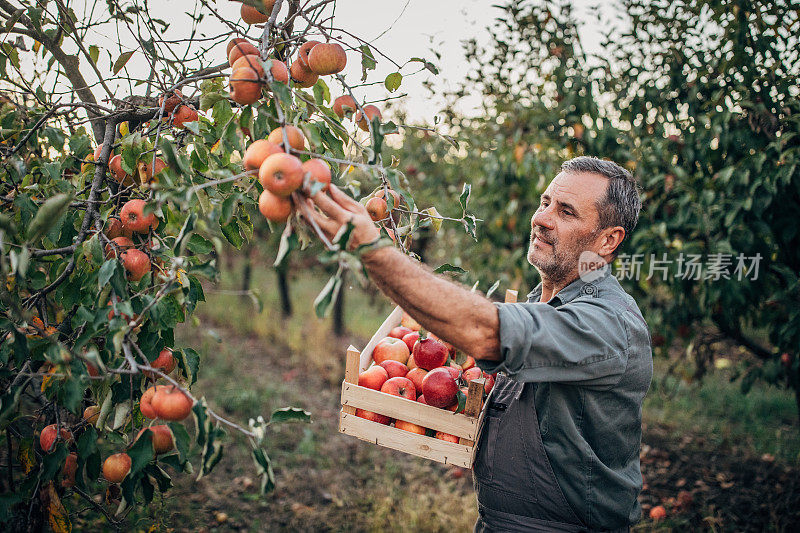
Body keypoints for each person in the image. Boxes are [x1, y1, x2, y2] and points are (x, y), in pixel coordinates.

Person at [303, 156, 652, 532]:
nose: (542, 218)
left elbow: (485, 331)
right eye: (544, 202)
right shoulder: (539, 303)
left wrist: (373, 251)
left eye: (566, 211)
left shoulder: (606, 323)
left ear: (608, 240)